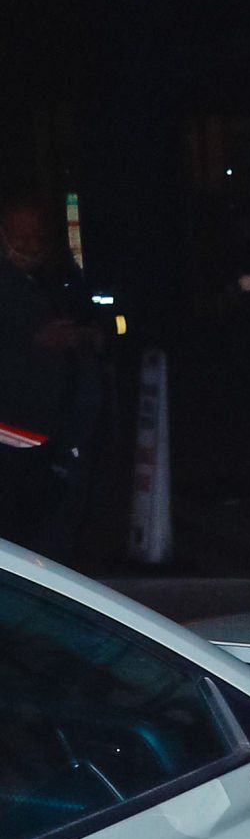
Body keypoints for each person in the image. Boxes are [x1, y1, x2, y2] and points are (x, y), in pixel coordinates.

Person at [0, 193, 109, 562]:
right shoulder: (10, 286)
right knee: (34, 530)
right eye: (21, 238)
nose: (31, 247)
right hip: (21, 436)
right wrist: (77, 337)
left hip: (50, 434)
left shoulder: (48, 280)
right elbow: (42, 336)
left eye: (37, 238)